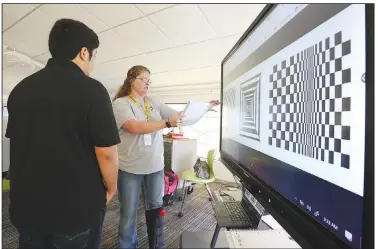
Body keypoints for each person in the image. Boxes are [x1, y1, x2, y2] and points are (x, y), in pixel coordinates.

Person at [5, 18, 121, 249]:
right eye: (94, 55)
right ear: (84, 52)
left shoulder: (20, 90)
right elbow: (106, 154)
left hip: (27, 206)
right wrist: (111, 187)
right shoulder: (93, 90)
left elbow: (18, 145)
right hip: (73, 211)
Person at [112, 65, 182, 249]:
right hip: (130, 169)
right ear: (131, 80)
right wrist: (167, 123)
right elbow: (135, 127)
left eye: (149, 80)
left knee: (156, 210)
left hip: (155, 167)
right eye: (143, 79)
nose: (147, 83)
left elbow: (177, 116)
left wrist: (203, 109)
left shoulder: (153, 101)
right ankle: (127, 246)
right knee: (128, 213)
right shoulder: (121, 103)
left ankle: (157, 245)